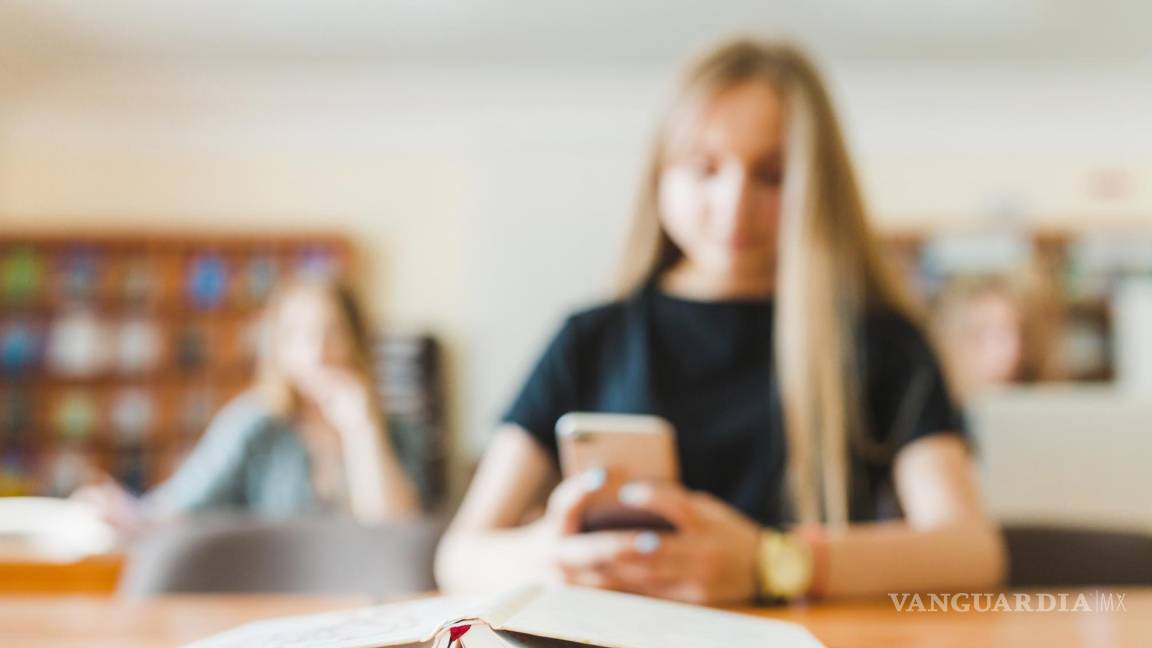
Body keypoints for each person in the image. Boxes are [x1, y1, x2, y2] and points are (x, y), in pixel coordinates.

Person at [435, 38, 1005, 604]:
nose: (733, 204)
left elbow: (971, 551)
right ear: (661, 174)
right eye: (704, 168)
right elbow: (460, 556)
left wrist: (770, 562)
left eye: (773, 175)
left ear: (816, 188)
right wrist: (550, 558)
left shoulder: (883, 344)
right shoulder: (590, 338)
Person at [74, 278, 419, 532]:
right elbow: (185, 502)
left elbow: (393, 534)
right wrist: (131, 515)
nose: (317, 352)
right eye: (299, 335)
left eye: (333, 332)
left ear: (358, 340)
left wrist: (363, 430)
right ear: (278, 348)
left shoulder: (396, 431)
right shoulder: (255, 422)